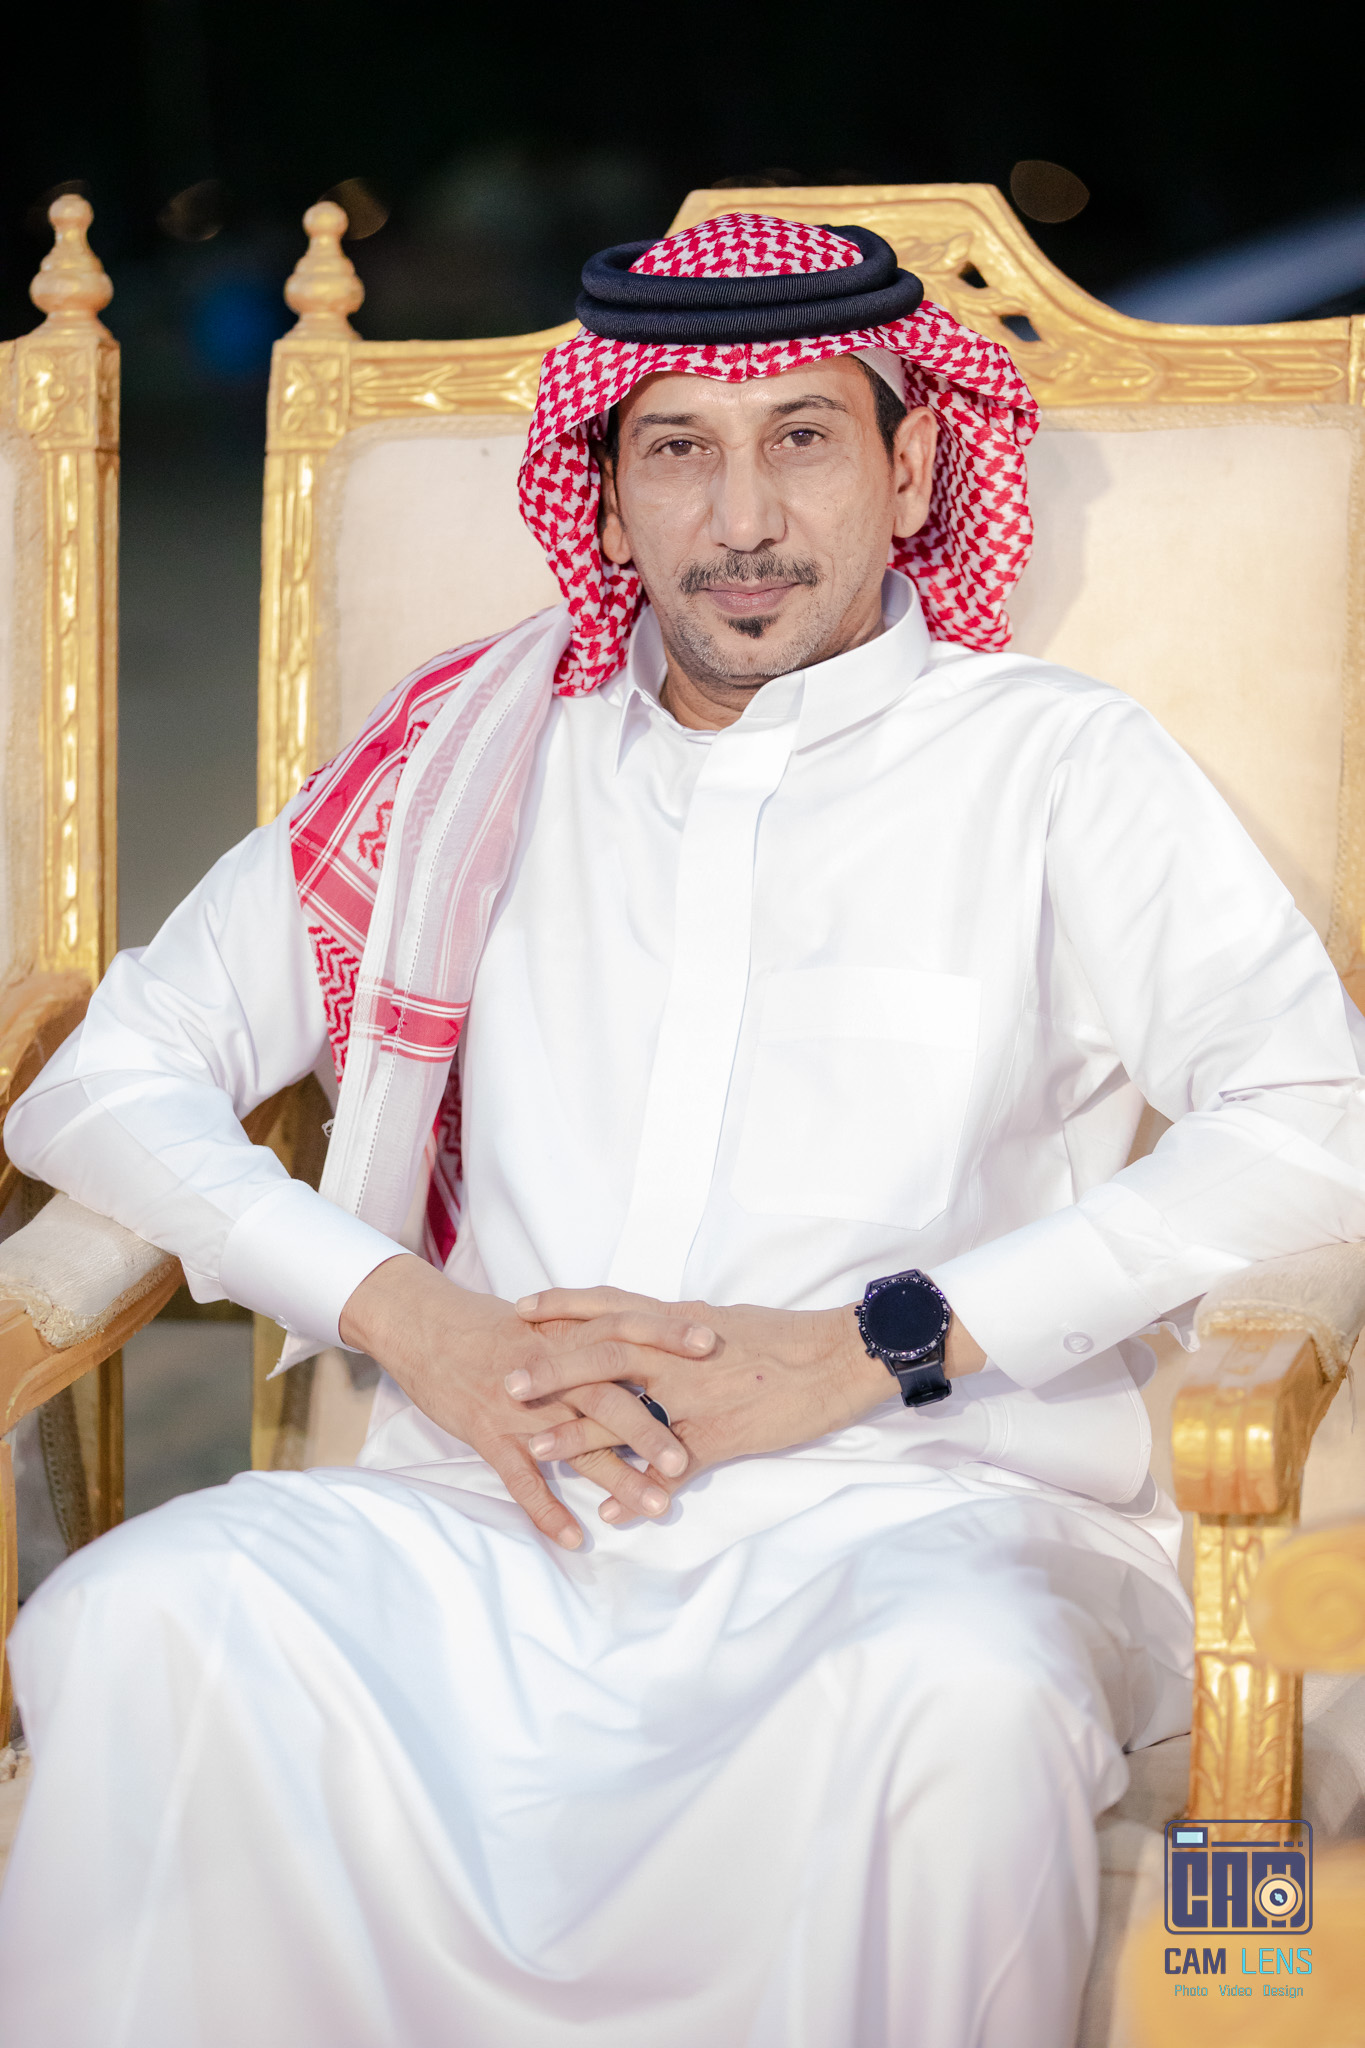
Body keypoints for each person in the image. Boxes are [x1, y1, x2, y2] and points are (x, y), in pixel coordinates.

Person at [2, 213, 1363, 2048]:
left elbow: (1318, 1119)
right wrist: (413, 1320)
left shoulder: (1055, 765)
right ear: (606, 492)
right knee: (138, 1620)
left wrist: (865, 1350)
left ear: (912, 470)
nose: (740, 519)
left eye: (801, 439)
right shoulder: (467, 760)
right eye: (676, 451)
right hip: (484, 1508)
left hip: (912, 1517)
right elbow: (106, 1078)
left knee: (953, 1700)